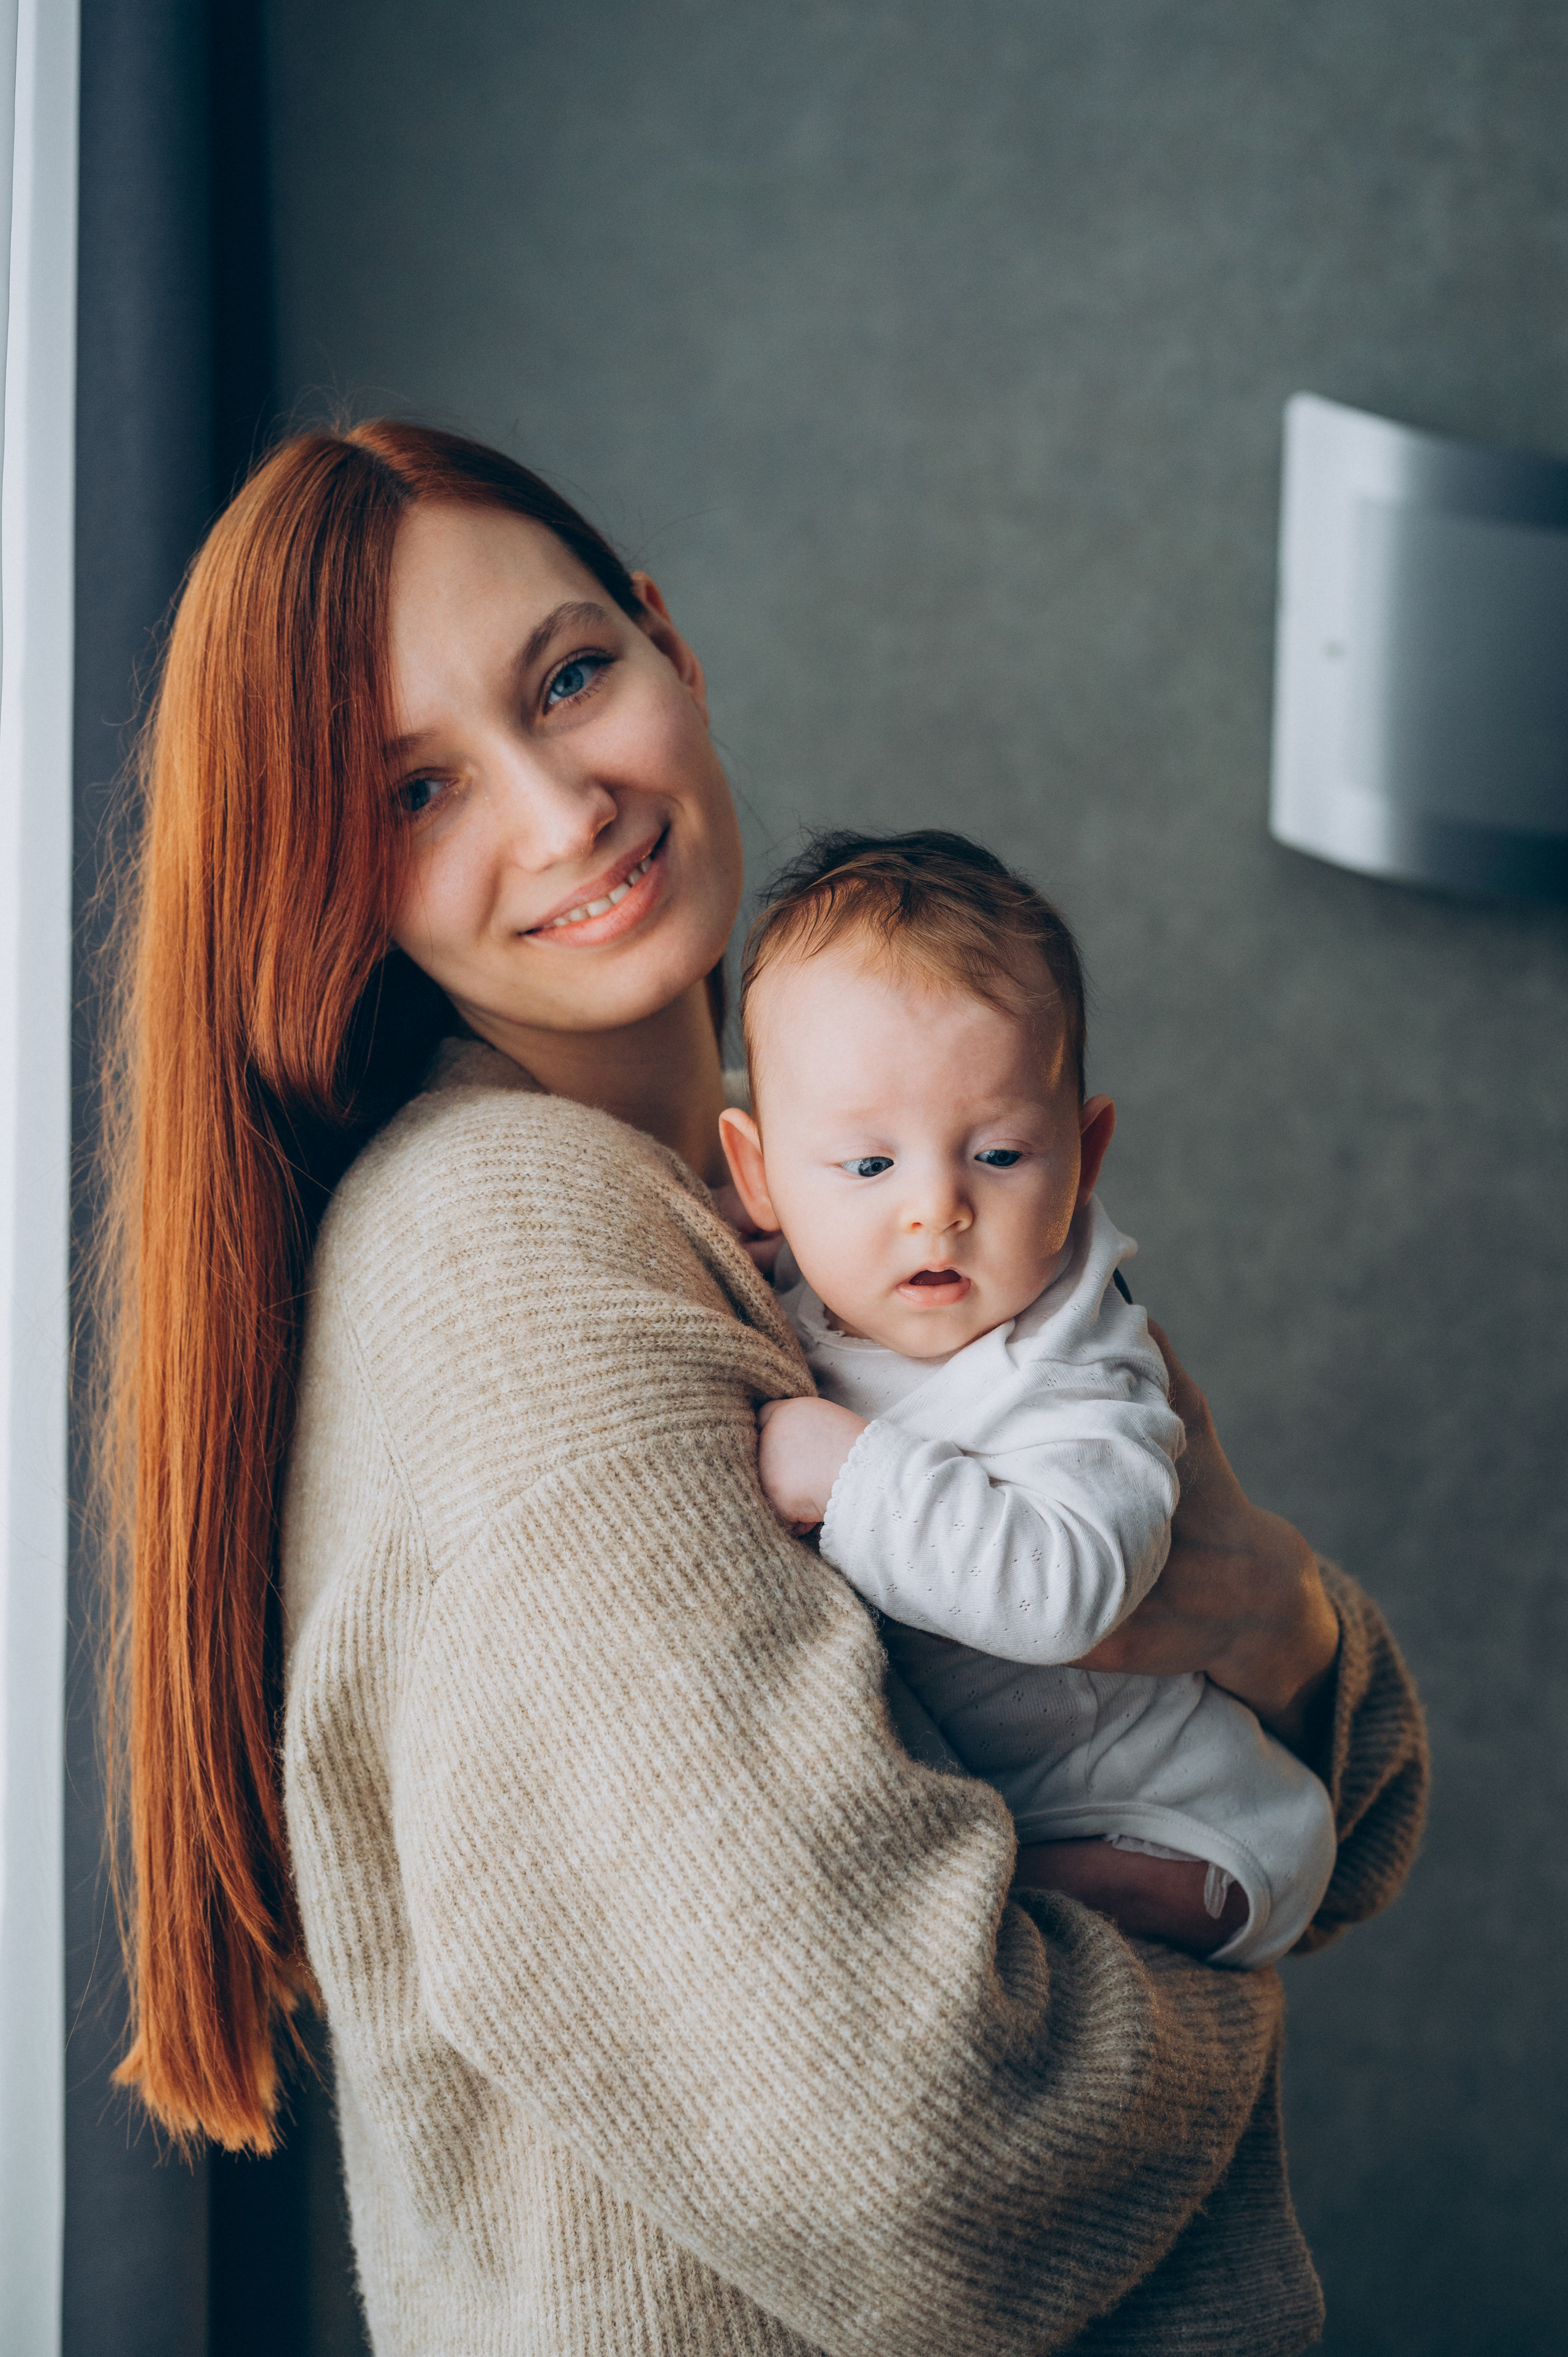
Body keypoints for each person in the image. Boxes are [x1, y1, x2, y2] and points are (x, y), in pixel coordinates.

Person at [98, 418, 1428, 2356]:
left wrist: (1289, 1638)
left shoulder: (825, 1219)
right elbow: (933, 2168)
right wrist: (1241, 1928)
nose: (562, 812)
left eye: (572, 676)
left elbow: (1339, 1758)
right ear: (337, 881)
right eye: (418, 789)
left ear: (673, 649)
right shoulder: (514, 1258)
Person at [718, 829, 1337, 1969]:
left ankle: (1026, 1881)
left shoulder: (1081, 1370)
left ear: (1084, 1154)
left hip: (1149, 1799)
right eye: (868, 1168)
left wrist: (855, 1475)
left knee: (1233, 1866)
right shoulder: (793, 1269)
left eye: (999, 1155)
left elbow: (1068, 1597)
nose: (936, 1208)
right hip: (985, 1775)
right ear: (759, 1178)